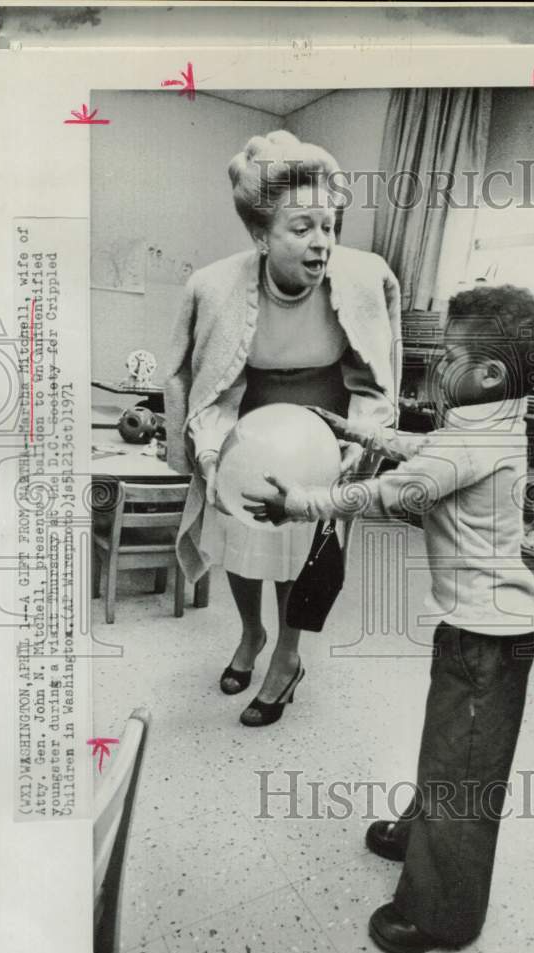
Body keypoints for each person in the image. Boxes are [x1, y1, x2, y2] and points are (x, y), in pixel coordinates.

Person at [244, 285, 534, 953]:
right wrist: (354, 428)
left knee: (464, 776)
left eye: (446, 355)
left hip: (487, 639)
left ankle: (442, 913)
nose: (433, 366)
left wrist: (299, 504)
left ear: (488, 373)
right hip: (471, 630)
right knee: (446, 751)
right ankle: (422, 832)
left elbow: (391, 491)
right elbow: (420, 445)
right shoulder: (490, 423)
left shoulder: (473, 446)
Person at [164, 130, 400, 727]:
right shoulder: (215, 287)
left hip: (326, 435)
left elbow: (378, 382)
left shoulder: (367, 278)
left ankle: (287, 658)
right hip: (248, 426)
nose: (322, 243)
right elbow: (204, 387)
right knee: (242, 542)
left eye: (330, 225)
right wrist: (212, 453)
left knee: (305, 550)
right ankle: (251, 633)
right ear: (260, 234)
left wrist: (358, 444)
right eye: (302, 228)